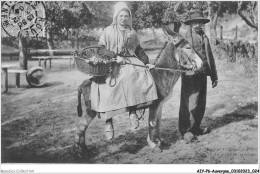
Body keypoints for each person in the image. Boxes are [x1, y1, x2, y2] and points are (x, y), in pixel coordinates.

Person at [91, 2, 158, 140]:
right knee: (109, 85)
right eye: (121, 16)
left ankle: (132, 111)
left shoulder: (132, 32)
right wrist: (115, 56)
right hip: (112, 61)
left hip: (129, 60)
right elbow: (101, 49)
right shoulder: (108, 31)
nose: (123, 18)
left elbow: (138, 50)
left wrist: (146, 63)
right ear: (116, 16)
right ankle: (108, 121)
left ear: (129, 17)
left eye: (126, 16)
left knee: (137, 75)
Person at [179, 10, 218, 143]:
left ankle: (195, 127)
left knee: (201, 102)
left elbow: (210, 57)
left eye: (200, 22)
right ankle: (186, 131)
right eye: (195, 22)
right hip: (190, 74)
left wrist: (214, 76)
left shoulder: (205, 37)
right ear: (190, 24)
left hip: (202, 74)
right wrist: (187, 67)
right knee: (190, 102)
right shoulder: (185, 37)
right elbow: (180, 56)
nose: (197, 25)